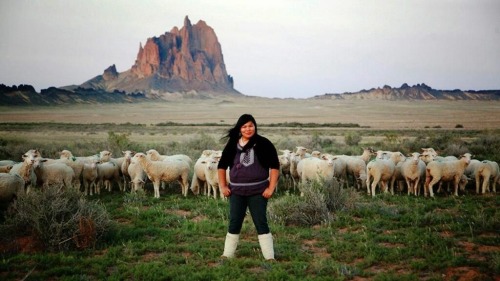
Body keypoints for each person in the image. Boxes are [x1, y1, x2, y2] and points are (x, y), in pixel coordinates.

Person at [217, 114, 280, 261]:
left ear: (255, 126)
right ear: (240, 128)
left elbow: (275, 166)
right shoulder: (233, 144)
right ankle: (227, 255)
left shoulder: (264, 143)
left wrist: (270, 188)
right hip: (236, 191)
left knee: (260, 221)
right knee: (234, 221)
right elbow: (222, 166)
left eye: (251, 125)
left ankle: (269, 258)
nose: (248, 129)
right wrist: (223, 186)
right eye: (244, 126)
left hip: (258, 191)